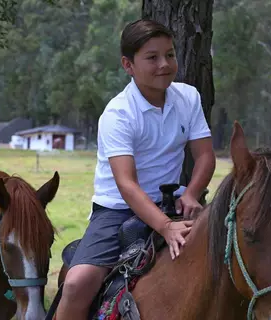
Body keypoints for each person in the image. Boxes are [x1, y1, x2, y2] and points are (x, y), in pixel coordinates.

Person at [55, 19, 216, 320]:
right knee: (77, 283)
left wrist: (193, 194)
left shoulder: (189, 98)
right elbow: (126, 184)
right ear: (128, 65)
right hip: (117, 210)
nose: (164, 65)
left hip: (174, 201)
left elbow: (205, 156)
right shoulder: (118, 115)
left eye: (169, 55)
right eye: (152, 58)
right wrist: (166, 227)